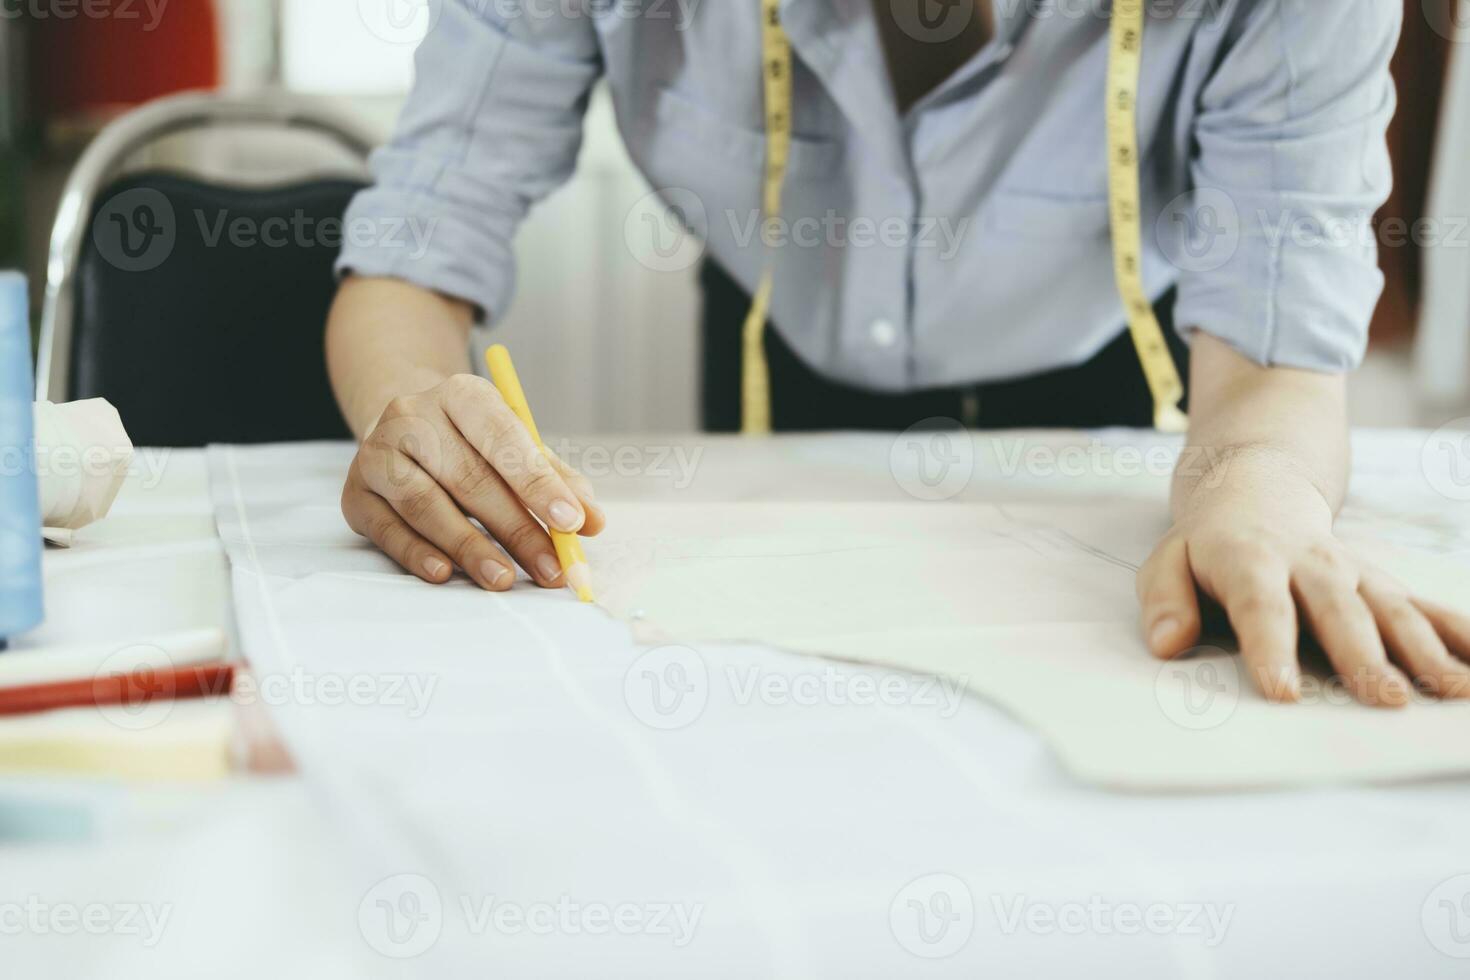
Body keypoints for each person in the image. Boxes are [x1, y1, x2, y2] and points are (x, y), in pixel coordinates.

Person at [325, 0, 1470, 706]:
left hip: (1125, 391)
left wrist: (1258, 494)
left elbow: (1275, 361)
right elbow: (415, 251)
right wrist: (415, 403)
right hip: (778, 371)